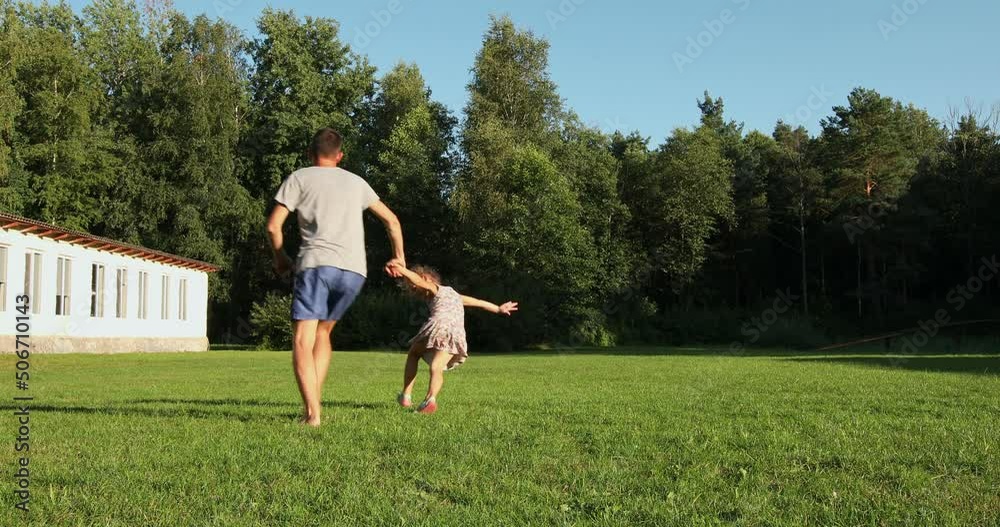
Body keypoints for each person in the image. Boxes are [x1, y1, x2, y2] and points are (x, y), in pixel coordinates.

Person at [267, 128, 405, 427]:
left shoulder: (300, 177)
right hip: (354, 271)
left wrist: (281, 258)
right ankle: (314, 404)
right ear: (340, 156)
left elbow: (273, 227)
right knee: (323, 334)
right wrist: (399, 258)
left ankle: (312, 414)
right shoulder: (356, 182)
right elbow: (392, 221)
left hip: (317, 266)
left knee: (303, 339)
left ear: (309, 153)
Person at [391, 263, 518, 414]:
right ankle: (430, 400)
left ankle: (406, 395)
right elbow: (478, 302)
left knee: (413, 353)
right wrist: (498, 308)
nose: (413, 289)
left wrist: (402, 270)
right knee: (436, 367)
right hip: (456, 332)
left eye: (412, 286)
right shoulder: (456, 296)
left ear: (426, 278)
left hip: (439, 326)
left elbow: (418, 282)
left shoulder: (435, 288)